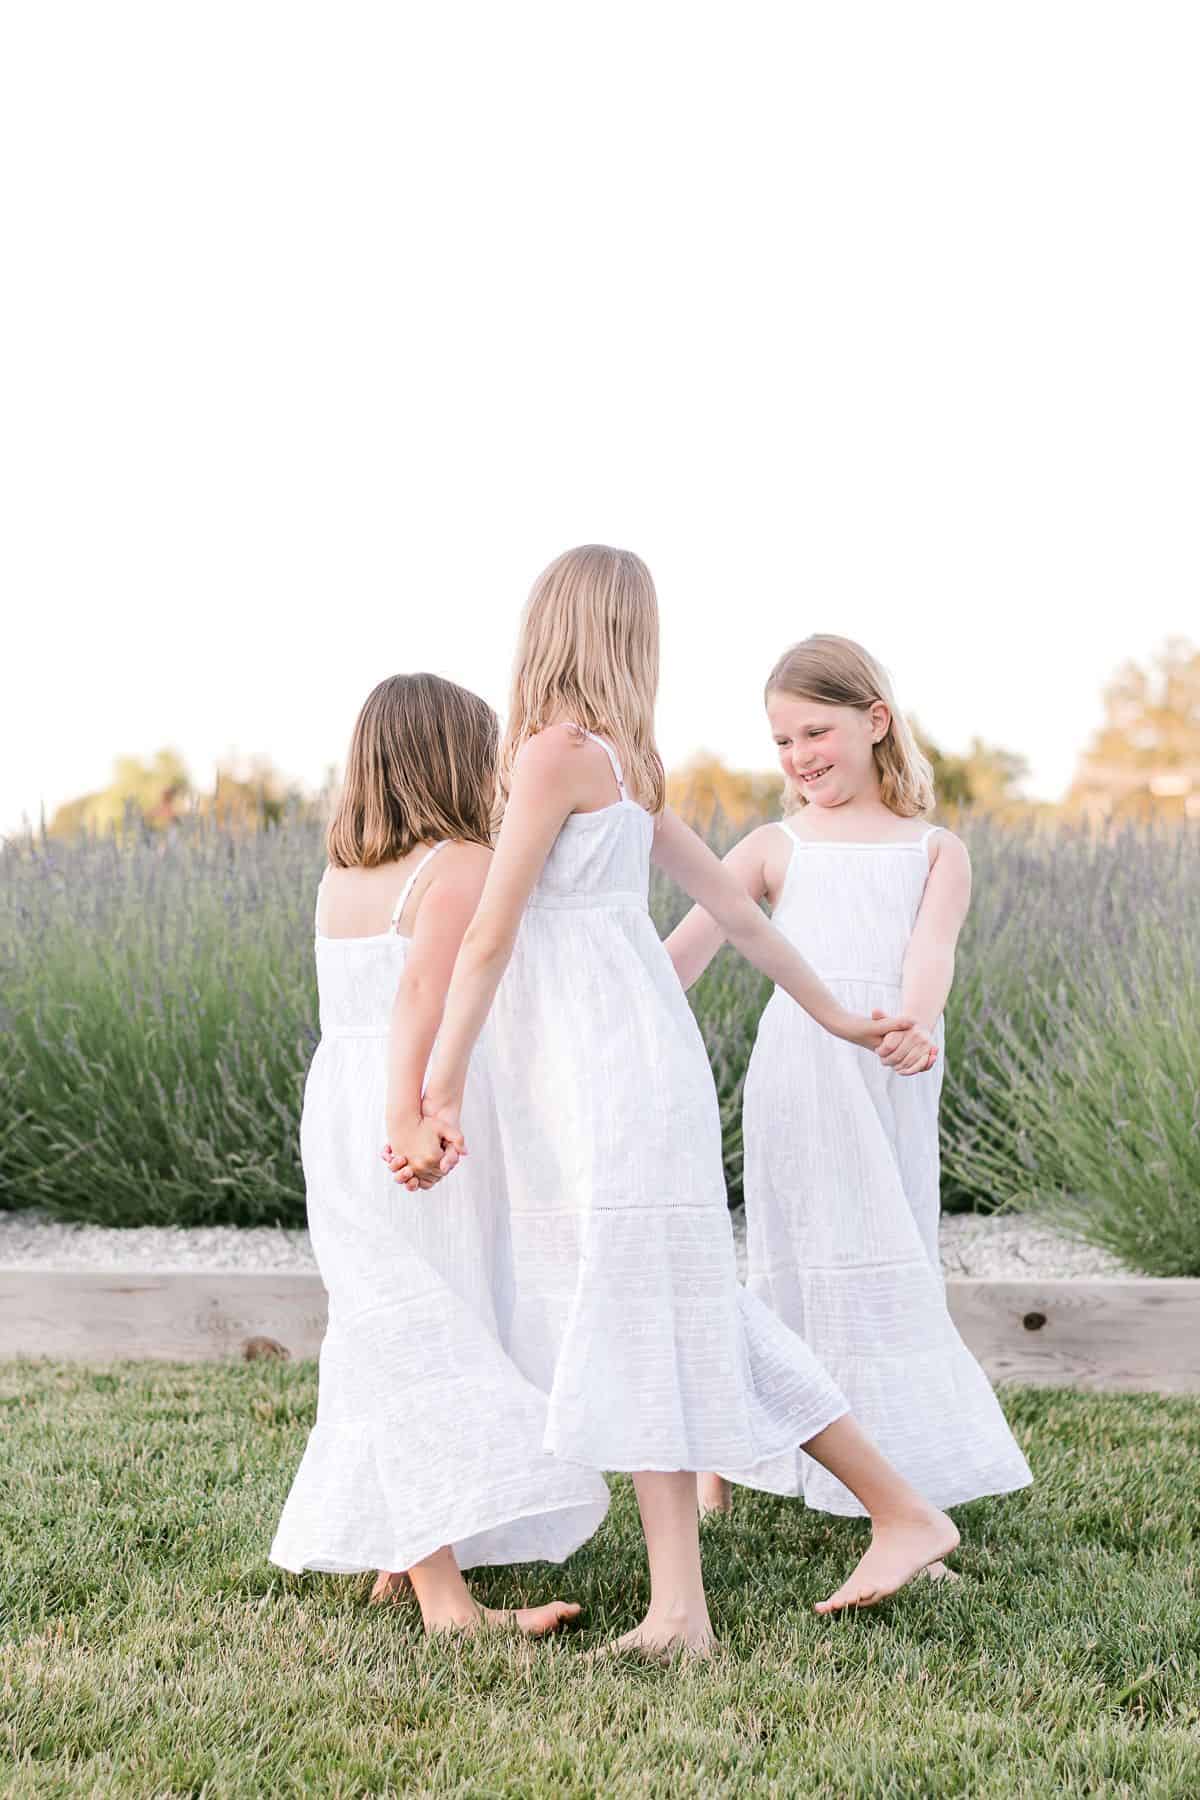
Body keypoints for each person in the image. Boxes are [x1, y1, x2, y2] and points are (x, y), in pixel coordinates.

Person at [395, 548, 959, 1658]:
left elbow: (493, 934)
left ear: (547, 628)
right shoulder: (621, 759)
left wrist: (440, 1082)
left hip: (609, 1075)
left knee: (652, 1309)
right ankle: (702, 1602)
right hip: (620, 1067)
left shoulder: (556, 756)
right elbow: (740, 920)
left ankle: (872, 1524)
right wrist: (841, 1016)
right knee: (656, 1309)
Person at [664, 634, 1032, 1533]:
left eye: (815, 731)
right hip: (801, 1074)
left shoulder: (935, 848)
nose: (800, 757)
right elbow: (682, 957)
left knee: (889, 1258)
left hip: (893, 1071)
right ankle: (727, 1458)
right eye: (783, 741)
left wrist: (914, 1023)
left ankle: (900, 1480)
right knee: (790, 1255)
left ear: (876, 722)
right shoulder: (770, 846)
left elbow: (931, 951)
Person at [269, 673, 609, 1636]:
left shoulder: (343, 872)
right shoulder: (458, 862)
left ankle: (405, 1549)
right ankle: (448, 1604)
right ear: (458, 759)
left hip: (338, 1100)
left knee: (385, 1312)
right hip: (405, 1099)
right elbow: (418, 1000)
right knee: (428, 1318)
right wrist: (409, 1119)